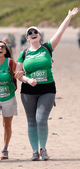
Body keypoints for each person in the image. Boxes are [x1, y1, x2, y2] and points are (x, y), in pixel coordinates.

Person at [15, 7, 79, 161]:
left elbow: (60, 32)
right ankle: (34, 151)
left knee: (41, 119)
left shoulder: (47, 48)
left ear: (39, 35)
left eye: (35, 32)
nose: (33, 34)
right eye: (30, 33)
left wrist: (69, 16)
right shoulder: (23, 54)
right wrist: (28, 80)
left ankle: (43, 148)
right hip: (28, 91)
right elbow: (18, 75)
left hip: (48, 89)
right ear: (27, 37)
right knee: (31, 121)